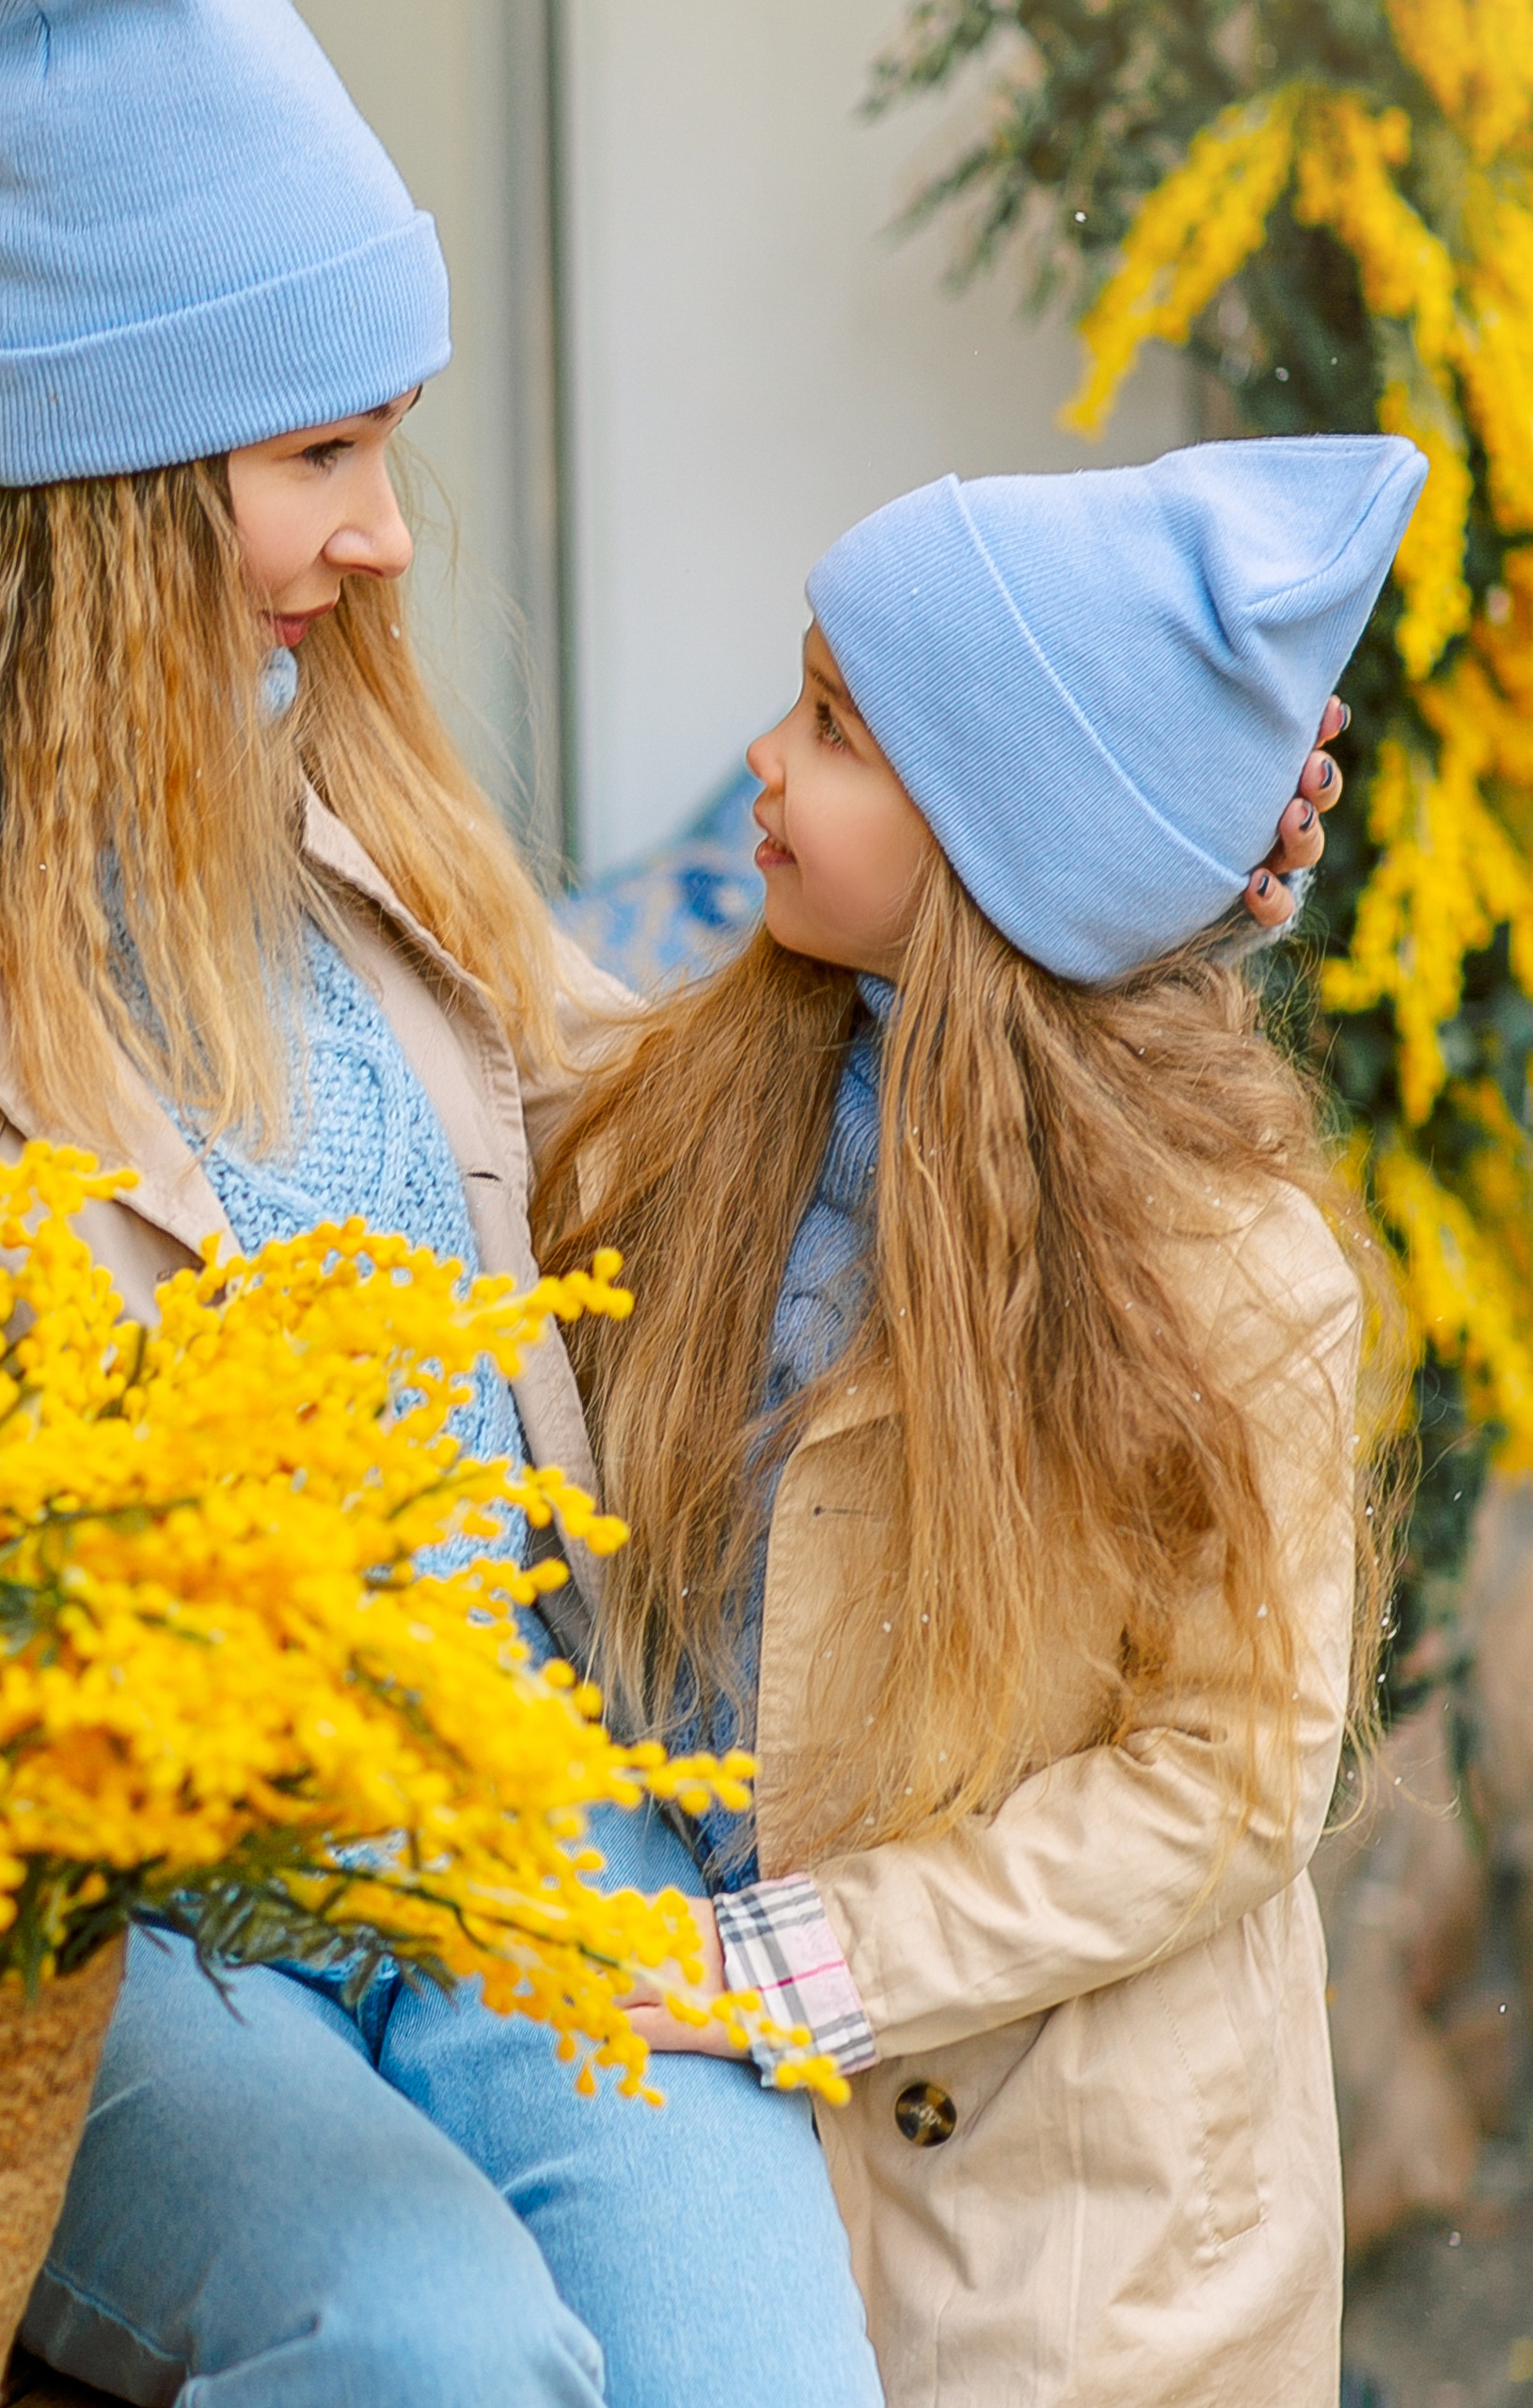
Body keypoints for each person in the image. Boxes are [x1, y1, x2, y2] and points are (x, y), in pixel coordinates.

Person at [0, 3, 1342, 2397]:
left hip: (510, 1822)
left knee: (757, 2369)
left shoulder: (315, 762)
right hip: (113, 1922)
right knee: (430, 2345)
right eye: (316, 451)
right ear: (102, 465)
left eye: (388, 442)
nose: (384, 531)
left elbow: (682, 1134)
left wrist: (1099, 883)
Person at [534, 436, 1423, 2408]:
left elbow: (1224, 1779)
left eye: (832, 728)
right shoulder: (736, 1098)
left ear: (999, 844)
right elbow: (502, 1023)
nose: (761, 761)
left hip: (1082, 2264)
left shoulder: (1222, 1271)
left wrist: (784, 1962)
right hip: (761, 2149)